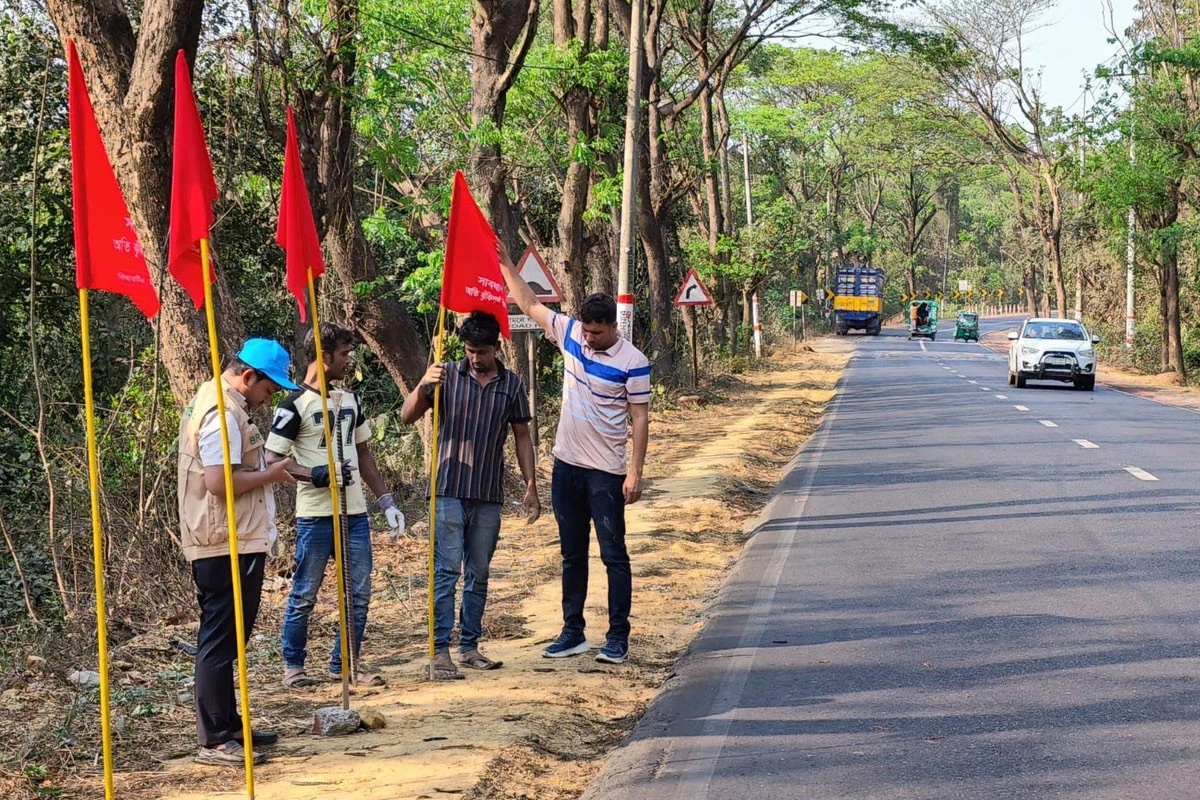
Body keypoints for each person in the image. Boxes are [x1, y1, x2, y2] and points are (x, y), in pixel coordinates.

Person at [496, 241, 651, 665]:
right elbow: (529, 305)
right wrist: (508, 265)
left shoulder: (633, 362)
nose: (589, 337)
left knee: (613, 553)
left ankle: (618, 636)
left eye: (597, 332)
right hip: (566, 467)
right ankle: (573, 631)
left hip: (606, 472)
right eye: (586, 330)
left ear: (613, 327)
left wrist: (634, 472)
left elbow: (640, 418)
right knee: (571, 553)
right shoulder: (570, 334)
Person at [177, 338, 300, 767]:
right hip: (223, 541)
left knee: (229, 637)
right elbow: (217, 482)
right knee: (219, 639)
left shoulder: (217, 402)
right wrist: (271, 474)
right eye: (268, 390)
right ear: (248, 377)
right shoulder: (222, 414)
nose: (268, 400)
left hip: (227, 537)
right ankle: (214, 739)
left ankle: (228, 724)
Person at [400, 310, 540, 680]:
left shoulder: (512, 385)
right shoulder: (445, 376)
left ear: (496, 347)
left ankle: (470, 646)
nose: (474, 358)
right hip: (447, 488)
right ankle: (439, 650)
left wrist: (531, 484)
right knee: (446, 571)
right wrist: (422, 385)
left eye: (481, 351)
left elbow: (521, 436)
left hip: (488, 493)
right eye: (469, 351)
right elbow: (407, 416)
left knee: (479, 572)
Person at [266, 324, 402, 689]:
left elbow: (364, 453)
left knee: (358, 592)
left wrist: (385, 500)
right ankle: (294, 665)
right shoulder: (293, 404)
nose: (348, 360)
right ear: (323, 356)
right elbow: (272, 460)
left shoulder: (349, 400)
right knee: (305, 592)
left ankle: (346, 664)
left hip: (354, 513)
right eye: (343, 354)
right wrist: (316, 473)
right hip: (315, 515)